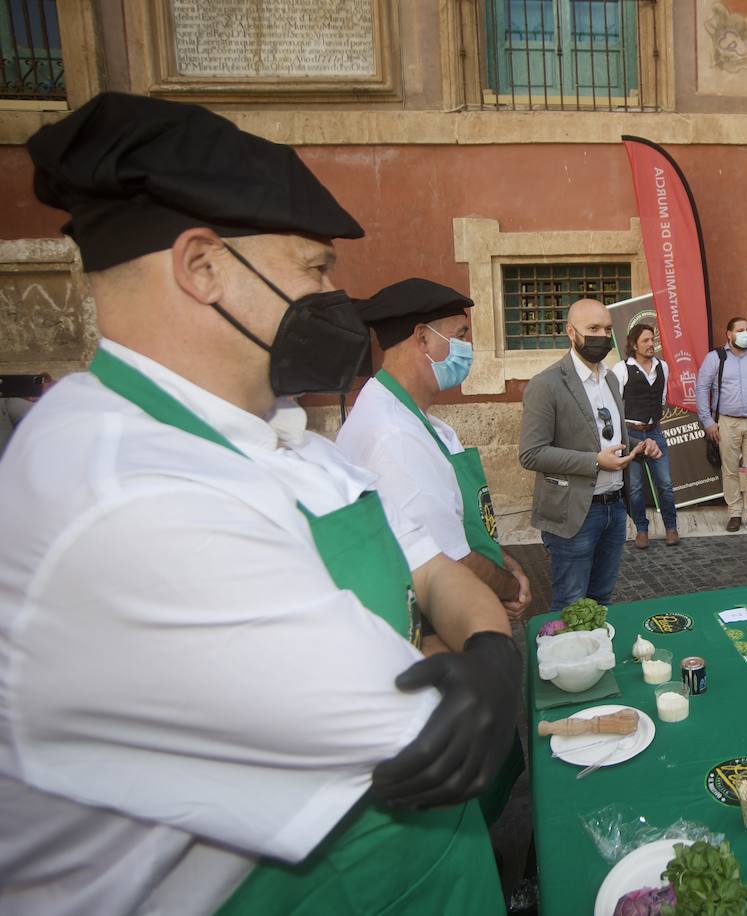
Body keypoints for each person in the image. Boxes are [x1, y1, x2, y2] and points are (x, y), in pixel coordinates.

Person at [1, 93, 519, 913]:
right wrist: (487, 660)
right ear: (202, 269)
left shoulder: (290, 440)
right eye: (314, 268)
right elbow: (414, 729)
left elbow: (427, 570)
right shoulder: (123, 491)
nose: (334, 300)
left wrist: (485, 649)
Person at [338, 278, 531, 618]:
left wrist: (503, 559)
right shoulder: (394, 434)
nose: (466, 348)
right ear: (423, 337)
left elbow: (458, 520)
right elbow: (450, 559)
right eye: (460, 335)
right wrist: (511, 587)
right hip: (427, 620)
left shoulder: (413, 417)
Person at [519, 298, 661, 613]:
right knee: (571, 605)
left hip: (613, 510)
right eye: (592, 328)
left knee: (601, 601)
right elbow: (531, 454)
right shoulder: (546, 385)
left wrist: (636, 449)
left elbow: (609, 435)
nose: (602, 335)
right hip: (574, 514)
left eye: (607, 328)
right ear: (571, 332)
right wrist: (594, 462)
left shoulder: (611, 378)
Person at [698, 316, 747, 531]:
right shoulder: (715, 358)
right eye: (740, 330)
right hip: (726, 423)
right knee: (729, 469)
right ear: (729, 334)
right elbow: (702, 389)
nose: (745, 333)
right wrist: (707, 421)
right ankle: (734, 514)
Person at [611, 322, 680, 548]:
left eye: (652, 340)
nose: (651, 344)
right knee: (635, 487)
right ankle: (641, 530)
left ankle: (671, 527)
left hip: (655, 432)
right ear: (633, 344)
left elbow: (660, 399)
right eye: (645, 341)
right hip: (631, 434)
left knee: (665, 484)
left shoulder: (663, 366)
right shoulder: (621, 369)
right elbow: (614, 406)